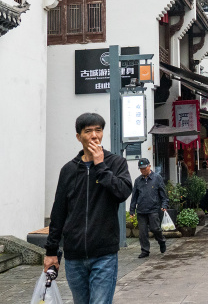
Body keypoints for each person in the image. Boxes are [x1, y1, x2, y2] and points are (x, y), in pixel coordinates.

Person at [44, 113, 132, 304]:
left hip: (104, 255)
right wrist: (51, 252)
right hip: (74, 256)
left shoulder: (116, 164)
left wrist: (101, 166)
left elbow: (122, 192)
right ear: (79, 136)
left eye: (98, 130)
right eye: (88, 131)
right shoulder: (68, 170)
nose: (94, 135)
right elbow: (58, 212)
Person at [129, 158, 168, 259]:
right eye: (141, 169)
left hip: (154, 209)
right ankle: (145, 250)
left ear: (149, 166)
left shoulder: (157, 178)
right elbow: (134, 196)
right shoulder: (138, 181)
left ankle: (161, 241)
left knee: (155, 228)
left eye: (144, 168)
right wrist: (132, 210)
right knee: (142, 232)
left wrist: (164, 204)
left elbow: (163, 194)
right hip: (141, 210)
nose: (143, 170)